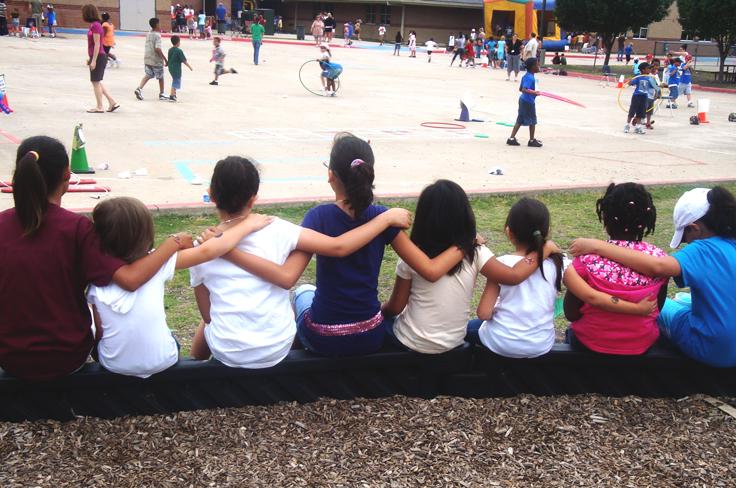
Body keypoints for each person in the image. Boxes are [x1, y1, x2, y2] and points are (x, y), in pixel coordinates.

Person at [221, 134, 470, 357]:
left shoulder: (318, 217)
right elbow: (429, 269)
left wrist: (230, 251)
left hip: (324, 337)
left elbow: (288, 277)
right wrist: (465, 243)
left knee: (303, 293)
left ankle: (295, 361)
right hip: (369, 335)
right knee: (309, 297)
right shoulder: (385, 217)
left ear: (331, 174)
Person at [188, 154, 412, 364]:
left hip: (232, 351)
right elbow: (337, 247)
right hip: (279, 346)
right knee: (303, 292)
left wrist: (222, 250)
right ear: (254, 197)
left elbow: (208, 316)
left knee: (213, 315)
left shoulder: (200, 248)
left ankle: (193, 368)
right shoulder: (280, 229)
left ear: (212, 194)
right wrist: (385, 219)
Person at [0, 136, 186, 381]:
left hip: (11, 358)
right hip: (67, 356)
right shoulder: (77, 229)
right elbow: (130, 280)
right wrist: (173, 243)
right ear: (67, 174)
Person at [87, 198, 273, 378]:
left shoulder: (98, 279)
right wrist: (248, 225)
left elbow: (101, 333)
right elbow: (209, 251)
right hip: (163, 359)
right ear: (145, 234)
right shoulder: (158, 263)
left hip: (115, 364)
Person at [382, 184, 560, 355]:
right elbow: (514, 275)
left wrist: (380, 311)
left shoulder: (412, 256)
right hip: (453, 343)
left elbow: (395, 307)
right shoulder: (476, 251)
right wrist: (544, 249)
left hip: (411, 343)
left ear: (422, 218)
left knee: (384, 324)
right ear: (465, 216)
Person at [569, 187, 736, 368]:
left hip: (714, 348)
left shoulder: (703, 250)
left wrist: (597, 246)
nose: (686, 244)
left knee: (661, 307)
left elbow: (657, 267)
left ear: (695, 228)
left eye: (686, 237)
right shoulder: (728, 244)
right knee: (682, 299)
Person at [564, 183, 667, 355]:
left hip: (590, 345)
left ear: (606, 218)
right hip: (640, 345)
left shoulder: (586, 260)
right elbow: (657, 308)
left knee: (570, 332)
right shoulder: (659, 261)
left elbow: (571, 313)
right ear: (647, 219)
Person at [465, 198, 564, 358]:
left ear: (508, 232)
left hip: (501, 342)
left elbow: (484, 314)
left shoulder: (501, 264)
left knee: (466, 330)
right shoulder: (560, 263)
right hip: (541, 343)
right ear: (548, 231)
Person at [83, 4, 118, 114]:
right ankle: (112, 102)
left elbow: (97, 44)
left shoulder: (96, 26)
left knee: (95, 81)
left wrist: (93, 60)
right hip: (97, 56)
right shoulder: (95, 25)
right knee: (97, 81)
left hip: (99, 56)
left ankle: (99, 106)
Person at [507, 57, 542, 148]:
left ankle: (511, 138)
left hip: (523, 100)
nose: (538, 66)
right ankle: (531, 140)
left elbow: (520, 89)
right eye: (537, 64)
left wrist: (533, 92)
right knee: (532, 120)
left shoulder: (526, 76)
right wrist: (534, 92)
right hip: (528, 101)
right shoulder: (530, 78)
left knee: (520, 118)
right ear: (532, 67)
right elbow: (523, 89)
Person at [134, 17, 168, 101]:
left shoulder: (149, 33)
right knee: (160, 77)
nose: (160, 25)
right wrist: (164, 59)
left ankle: (139, 88)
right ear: (156, 25)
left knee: (148, 74)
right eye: (159, 23)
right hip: (155, 60)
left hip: (147, 58)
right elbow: (157, 49)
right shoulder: (157, 35)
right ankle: (162, 93)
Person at [624, 62, 656, 134]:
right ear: (643, 70)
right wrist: (628, 83)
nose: (650, 70)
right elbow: (631, 82)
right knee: (632, 111)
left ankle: (638, 127)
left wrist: (660, 87)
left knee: (641, 112)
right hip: (636, 96)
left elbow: (654, 86)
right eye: (648, 68)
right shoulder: (638, 77)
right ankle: (627, 125)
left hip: (644, 96)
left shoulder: (650, 78)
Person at [167, 36, 192, 102]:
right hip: (176, 68)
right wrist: (189, 67)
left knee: (175, 79)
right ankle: (172, 96)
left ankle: (174, 94)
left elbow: (168, 59)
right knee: (176, 81)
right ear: (178, 42)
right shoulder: (179, 51)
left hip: (170, 68)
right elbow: (184, 60)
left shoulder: (170, 50)